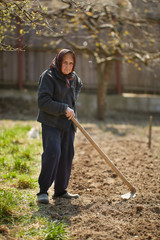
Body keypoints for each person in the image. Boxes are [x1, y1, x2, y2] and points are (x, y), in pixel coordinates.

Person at [37, 48, 82, 204]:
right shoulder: (48, 76)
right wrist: (64, 107)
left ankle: (60, 191)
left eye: (71, 63)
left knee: (67, 155)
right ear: (59, 61)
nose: (68, 66)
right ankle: (43, 191)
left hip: (68, 124)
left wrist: (72, 104)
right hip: (51, 123)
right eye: (65, 62)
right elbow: (43, 102)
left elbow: (79, 87)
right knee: (53, 152)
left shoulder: (73, 78)